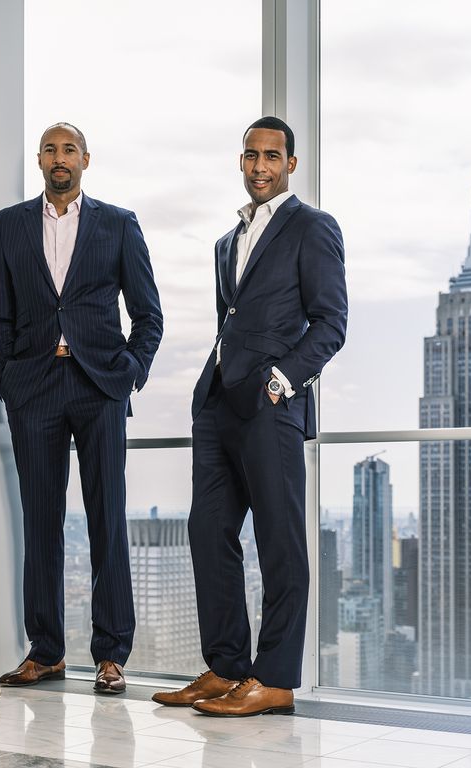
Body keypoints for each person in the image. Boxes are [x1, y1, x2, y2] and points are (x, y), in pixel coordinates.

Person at [152, 116, 347, 716]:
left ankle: (277, 681)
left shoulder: (312, 228)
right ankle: (227, 667)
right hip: (217, 404)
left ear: (290, 164)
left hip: (269, 405)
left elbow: (331, 323)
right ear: (240, 162)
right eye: (250, 156)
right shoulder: (224, 242)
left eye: (271, 156)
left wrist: (282, 382)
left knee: (280, 542)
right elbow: (230, 320)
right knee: (208, 532)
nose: (259, 166)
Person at [0, 122, 163, 695]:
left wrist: (129, 374)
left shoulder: (118, 224)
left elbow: (148, 315)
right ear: (38, 159)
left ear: (86, 159)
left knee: (107, 519)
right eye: (49, 149)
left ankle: (111, 655)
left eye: (68, 149)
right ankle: (45, 652)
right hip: (33, 387)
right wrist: (6, 377)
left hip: (98, 389)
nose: (58, 158)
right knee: (40, 522)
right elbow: (2, 317)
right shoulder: (7, 226)